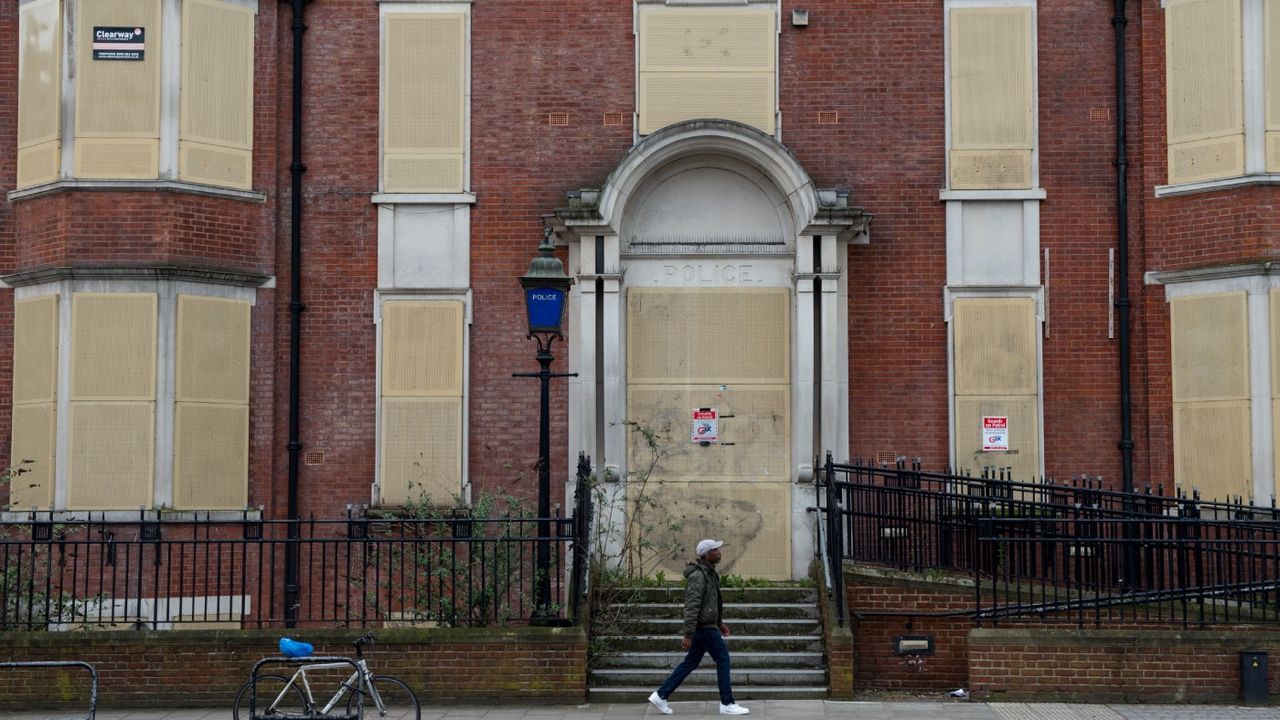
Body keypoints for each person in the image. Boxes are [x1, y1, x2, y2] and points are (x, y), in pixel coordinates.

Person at [647, 539, 750, 716]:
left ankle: (661, 695)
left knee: (691, 662)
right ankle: (727, 703)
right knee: (723, 659)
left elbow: (710, 603)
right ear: (707, 554)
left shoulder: (709, 573)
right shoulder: (698, 576)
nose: (720, 552)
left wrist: (719, 623)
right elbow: (692, 606)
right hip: (703, 628)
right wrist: (688, 634)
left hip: (708, 625)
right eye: (716, 550)